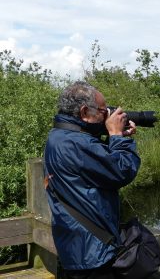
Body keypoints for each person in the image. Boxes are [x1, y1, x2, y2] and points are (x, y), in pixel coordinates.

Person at [44, 81, 141, 278]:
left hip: (74, 245)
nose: (107, 116)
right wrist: (117, 136)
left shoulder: (59, 135)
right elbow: (122, 171)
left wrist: (115, 137)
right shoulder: (77, 143)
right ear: (85, 111)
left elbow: (93, 163)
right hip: (92, 253)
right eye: (104, 111)